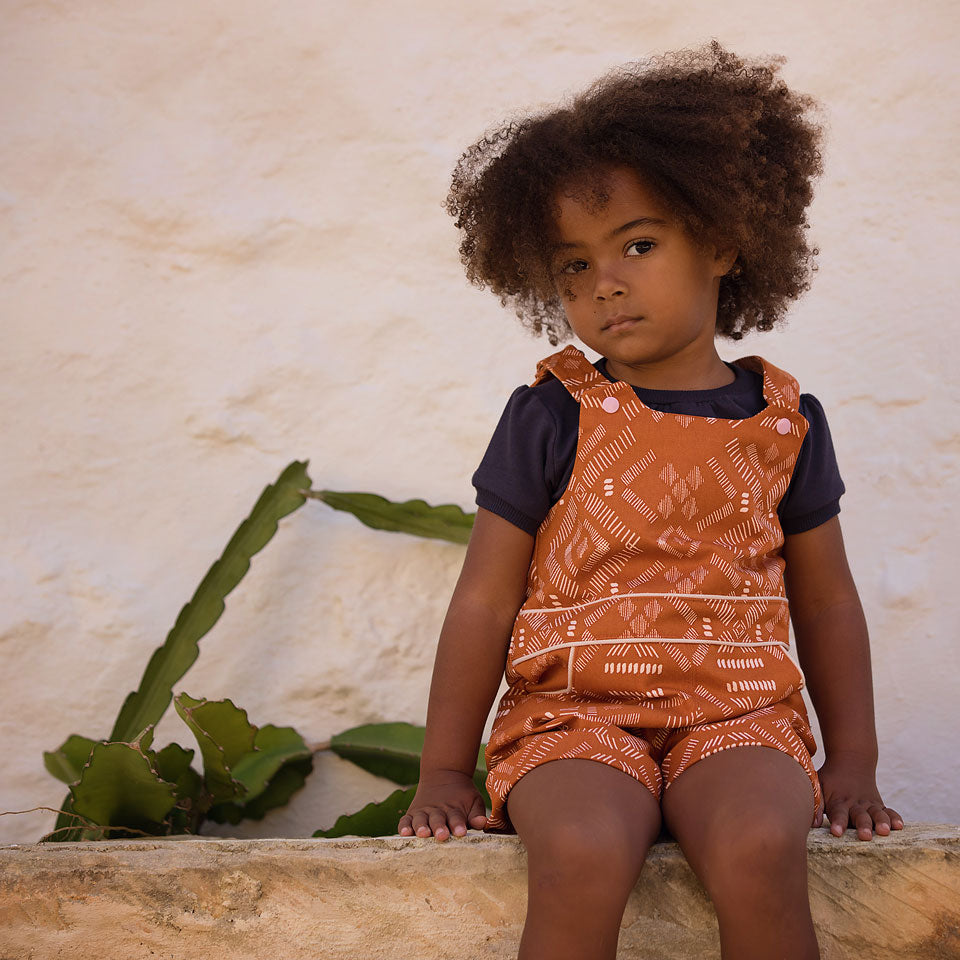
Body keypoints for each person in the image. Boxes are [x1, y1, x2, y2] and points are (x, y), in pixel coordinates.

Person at [397, 40, 904, 960]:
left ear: (720, 240)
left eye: (638, 244)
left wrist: (854, 760)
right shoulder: (552, 414)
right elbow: (484, 599)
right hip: (574, 719)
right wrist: (442, 769)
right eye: (573, 267)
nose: (605, 284)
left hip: (740, 714)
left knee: (760, 844)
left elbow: (827, 600)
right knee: (583, 849)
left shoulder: (786, 422)